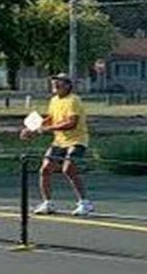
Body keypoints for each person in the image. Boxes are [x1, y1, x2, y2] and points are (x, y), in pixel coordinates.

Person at [20, 73, 95, 217]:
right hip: (58, 142)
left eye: (59, 83)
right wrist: (31, 128)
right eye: (54, 83)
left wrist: (46, 129)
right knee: (45, 169)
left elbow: (71, 123)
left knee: (68, 169)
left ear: (68, 85)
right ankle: (48, 203)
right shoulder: (54, 100)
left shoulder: (73, 100)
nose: (55, 85)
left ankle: (85, 204)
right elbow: (51, 118)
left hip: (77, 140)